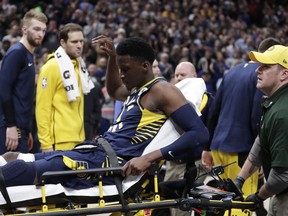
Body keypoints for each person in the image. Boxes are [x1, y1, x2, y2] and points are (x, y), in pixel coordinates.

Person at [0, 36, 209, 190]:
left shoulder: (162, 90)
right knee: (12, 157)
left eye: (125, 69)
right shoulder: (138, 88)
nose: (121, 74)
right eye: (119, 68)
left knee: (26, 170)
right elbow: (114, 91)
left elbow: (199, 133)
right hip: (94, 151)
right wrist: (112, 58)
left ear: (145, 66)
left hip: (110, 163)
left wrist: (149, 158)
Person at [201, 37, 281, 215]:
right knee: (241, 204)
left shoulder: (232, 71)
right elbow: (256, 116)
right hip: (242, 149)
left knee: (223, 205)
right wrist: (260, 155)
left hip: (219, 146)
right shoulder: (263, 74)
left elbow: (214, 110)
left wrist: (207, 147)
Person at [233, 44, 288, 216]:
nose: (258, 70)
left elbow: (282, 176)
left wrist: (257, 197)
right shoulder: (275, 102)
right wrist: (239, 179)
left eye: (266, 66)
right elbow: (261, 140)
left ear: (284, 74)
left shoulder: (283, 112)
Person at [36, 23, 94, 152]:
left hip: (79, 139)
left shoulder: (79, 66)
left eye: (81, 41)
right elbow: (42, 108)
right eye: (74, 42)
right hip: (58, 142)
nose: (79, 45)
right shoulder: (51, 67)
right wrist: (46, 145)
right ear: (63, 43)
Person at [163, 61, 209, 216]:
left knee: (194, 207)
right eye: (176, 75)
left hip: (196, 162)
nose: (178, 78)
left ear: (195, 76)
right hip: (174, 163)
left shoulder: (207, 100)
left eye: (183, 75)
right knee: (174, 208)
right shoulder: (166, 101)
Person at [0, 10, 47, 154]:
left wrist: (27, 130)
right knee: (12, 174)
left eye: (43, 30)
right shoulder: (17, 52)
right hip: (11, 128)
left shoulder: (28, 55)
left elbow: (22, 95)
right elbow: (4, 89)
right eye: (36, 29)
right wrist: (11, 126)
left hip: (22, 128)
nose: (40, 34)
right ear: (24, 30)